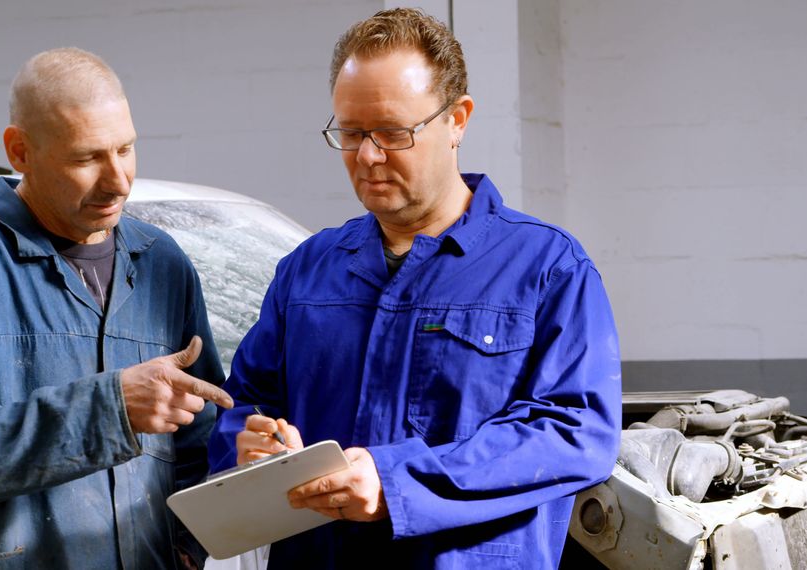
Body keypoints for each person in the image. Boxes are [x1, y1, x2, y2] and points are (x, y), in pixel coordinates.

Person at [208, 8, 621, 569]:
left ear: (458, 120)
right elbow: (245, 403)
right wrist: (246, 446)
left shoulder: (548, 268)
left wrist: (397, 483)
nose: (368, 156)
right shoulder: (307, 272)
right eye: (350, 133)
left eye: (393, 133)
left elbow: (576, 433)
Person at [0, 47, 232, 569]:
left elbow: (199, 440)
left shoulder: (164, 265)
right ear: (19, 150)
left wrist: (188, 543)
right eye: (86, 158)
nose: (118, 180)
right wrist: (110, 410)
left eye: (126, 149)